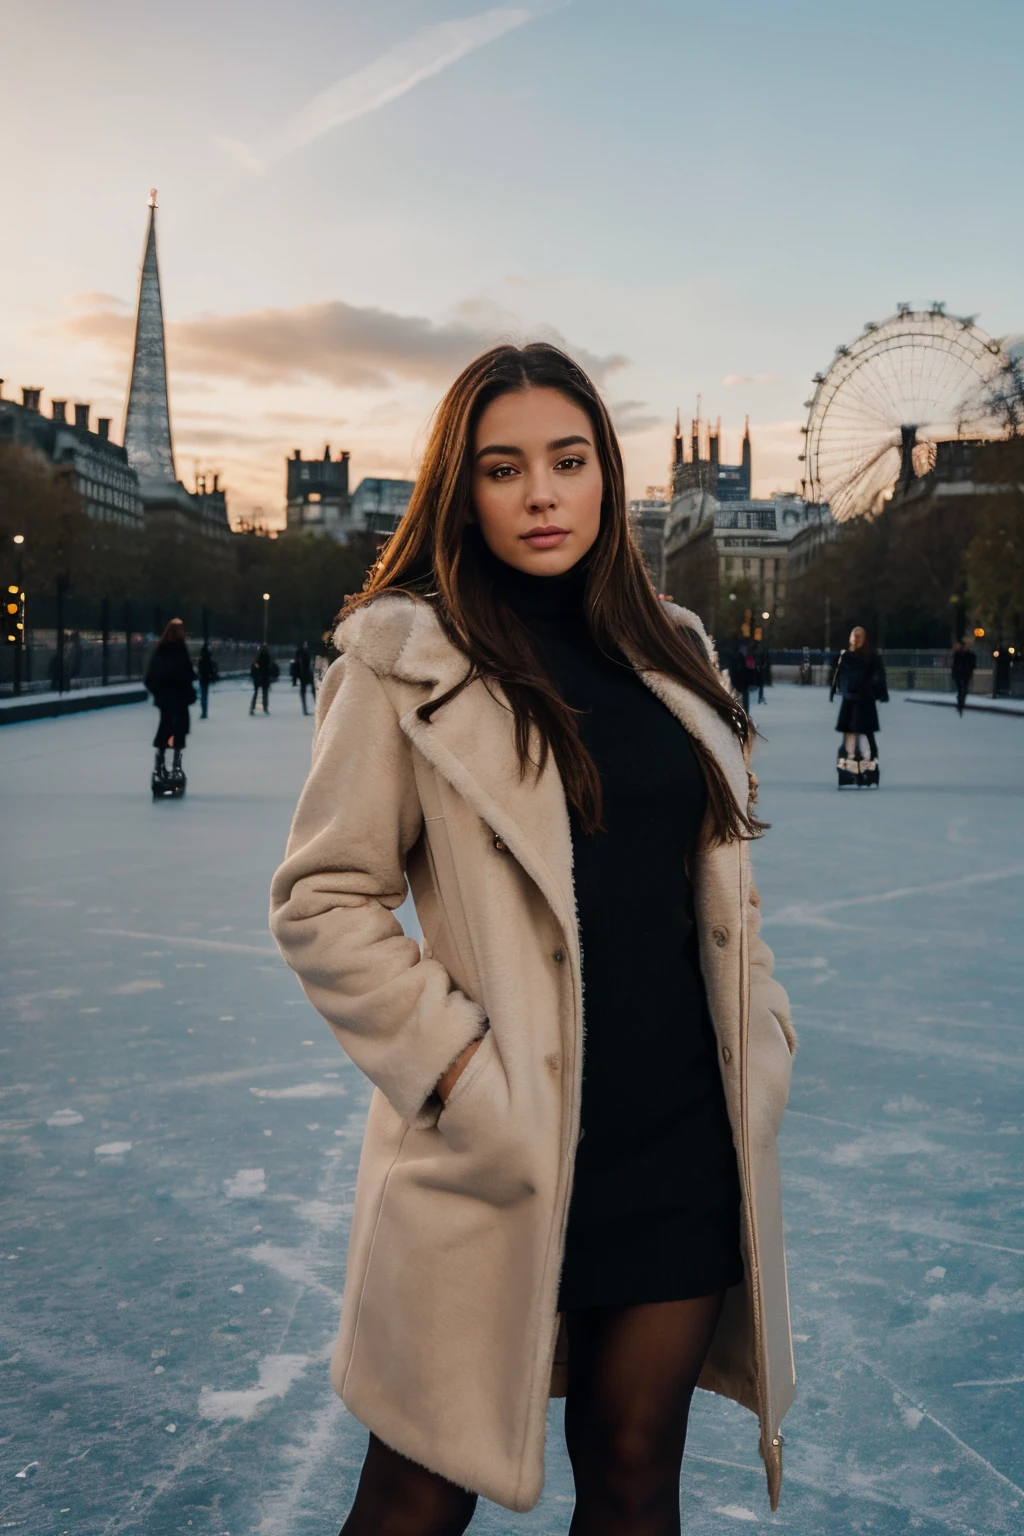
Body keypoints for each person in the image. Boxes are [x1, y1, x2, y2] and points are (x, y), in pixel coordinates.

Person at [270, 343, 796, 1535]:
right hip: (498, 1140)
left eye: (568, 461)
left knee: (629, 1476)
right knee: (415, 1490)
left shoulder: (675, 653)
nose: (541, 494)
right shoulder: (405, 656)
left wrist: (760, 1038)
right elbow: (323, 899)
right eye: (504, 469)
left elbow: (722, 890)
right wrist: (458, 1075)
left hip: (675, 1136)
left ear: (609, 478)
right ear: (464, 490)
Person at [830, 625, 888, 787]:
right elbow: (840, 675)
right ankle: (851, 766)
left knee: (863, 733)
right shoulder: (847, 657)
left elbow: (879, 676)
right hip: (852, 700)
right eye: (855, 636)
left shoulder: (869, 657)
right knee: (851, 733)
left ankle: (866, 766)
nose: (856, 640)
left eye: (859, 637)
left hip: (863, 700)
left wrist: (878, 691)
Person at [144, 618, 196, 777]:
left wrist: (159, 692)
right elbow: (186, 672)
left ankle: (161, 763)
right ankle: (175, 765)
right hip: (178, 697)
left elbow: (152, 676)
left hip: (166, 697)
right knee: (178, 729)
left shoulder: (161, 649)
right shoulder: (180, 649)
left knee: (166, 727)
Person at [951, 639, 976, 715]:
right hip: (959, 674)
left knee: (964, 690)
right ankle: (960, 704)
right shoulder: (957, 654)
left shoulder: (969, 655)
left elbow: (973, 664)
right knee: (960, 690)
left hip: (965, 674)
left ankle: (960, 703)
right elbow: (954, 665)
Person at [291, 640, 314, 715]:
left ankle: (306, 709)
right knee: (310, 691)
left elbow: (295, 668)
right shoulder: (304, 655)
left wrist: (295, 679)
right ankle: (310, 708)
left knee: (305, 691)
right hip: (305, 674)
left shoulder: (300, 655)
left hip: (303, 675)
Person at [197, 643, 219, 719]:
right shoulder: (209, 661)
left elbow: (200, 671)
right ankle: (204, 712)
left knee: (203, 697)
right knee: (204, 696)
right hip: (206, 679)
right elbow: (212, 670)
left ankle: (204, 712)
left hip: (203, 680)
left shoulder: (201, 661)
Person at [250, 643, 272, 715]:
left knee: (256, 694)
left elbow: (255, 667)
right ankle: (265, 708)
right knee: (264, 694)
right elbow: (268, 668)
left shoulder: (258, 659)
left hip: (258, 677)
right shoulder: (267, 658)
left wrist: (256, 674)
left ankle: (252, 708)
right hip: (264, 677)